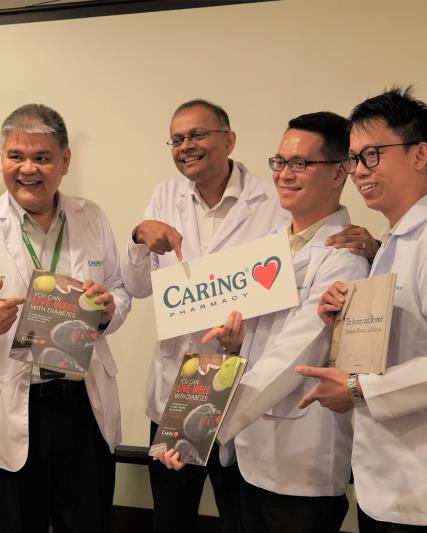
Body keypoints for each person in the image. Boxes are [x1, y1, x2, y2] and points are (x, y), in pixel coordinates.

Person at [299, 87, 427, 532]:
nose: (358, 171)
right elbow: (399, 343)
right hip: (383, 487)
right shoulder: (388, 244)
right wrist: (344, 320)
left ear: (419, 153)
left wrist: (358, 389)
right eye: (353, 159)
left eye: (372, 155)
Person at [0, 104, 130, 533]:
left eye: (42, 158)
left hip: (82, 405)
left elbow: (119, 289)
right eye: (15, 156)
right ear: (1, 157)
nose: (28, 169)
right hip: (8, 407)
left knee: (87, 523)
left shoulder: (90, 216)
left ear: (64, 161)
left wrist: (111, 308)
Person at [185, 111, 368, 533]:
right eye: (280, 162)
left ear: (340, 171)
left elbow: (295, 353)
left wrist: (198, 430)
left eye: (301, 164)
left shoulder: (346, 257)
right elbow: (262, 343)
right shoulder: (266, 249)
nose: (285, 174)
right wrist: (234, 347)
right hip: (249, 455)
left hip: (300, 462)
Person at [120, 99, 286, 533]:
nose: (186, 146)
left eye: (198, 135)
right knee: (171, 515)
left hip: (241, 383)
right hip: (182, 386)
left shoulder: (272, 200)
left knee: (242, 515)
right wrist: (139, 237)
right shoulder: (164, 195)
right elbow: (137, 286)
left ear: (229, 140)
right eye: (177, 139)